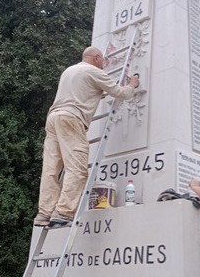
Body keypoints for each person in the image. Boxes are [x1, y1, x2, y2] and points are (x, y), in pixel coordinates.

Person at [35, 47, 139, 227]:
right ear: (96, 58)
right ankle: (63, 213)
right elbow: (120, 93)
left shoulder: (69, 71)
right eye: (103, 60)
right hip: (72, 118)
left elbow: (88, 91)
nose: (104, 64)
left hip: (53, 118)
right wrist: (132, 85)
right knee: (77, 168)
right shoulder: (93, 72)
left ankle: (44, 213)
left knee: (51, 170)